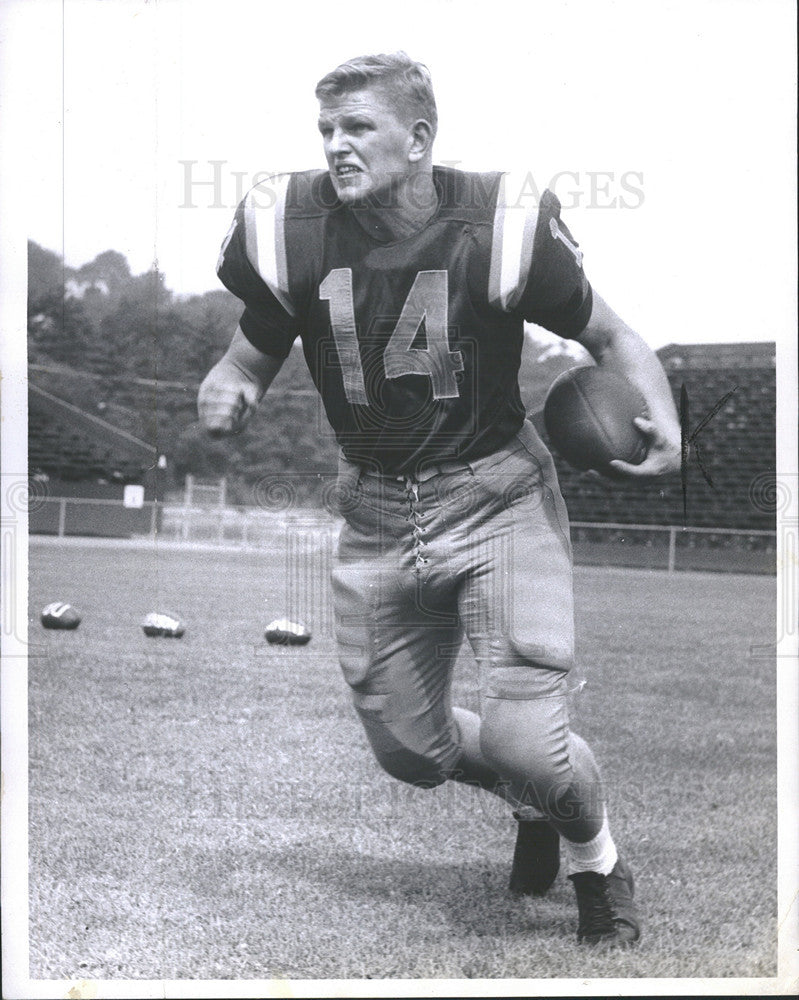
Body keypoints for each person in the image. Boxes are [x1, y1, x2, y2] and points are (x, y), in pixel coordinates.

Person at [199, 52, 681, 947]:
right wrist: (229, 387)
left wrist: (659, 417)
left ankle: (596, 861)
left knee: (530, 740)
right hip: (375, 513)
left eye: (358, 129)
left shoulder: (491, 220)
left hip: (495, 496)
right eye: (326, 132)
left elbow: (610, 333)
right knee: (408, 754)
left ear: (418, 139)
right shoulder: (291, 226)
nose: (337, 148)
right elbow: (251, 349)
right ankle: (528, 803)